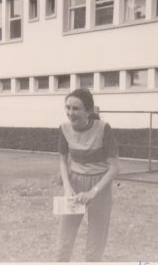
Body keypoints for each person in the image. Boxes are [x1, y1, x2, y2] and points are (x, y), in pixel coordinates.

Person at [55, 88, 119, 262]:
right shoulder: (64, 128)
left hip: (99, 186)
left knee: (94, 247)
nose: (70, 113)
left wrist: (94, 191)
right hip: (74, 183)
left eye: (76, 109)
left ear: (89, 111)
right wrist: (68, 188)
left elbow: (114, 168)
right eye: (68, 107)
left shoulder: (104, 128)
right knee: (63, 244)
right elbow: (62, 161)